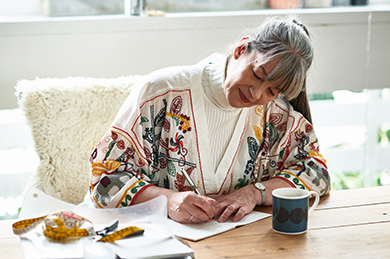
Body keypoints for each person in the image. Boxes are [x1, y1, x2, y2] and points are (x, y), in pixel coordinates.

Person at [88, 17, 331, 224]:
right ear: (241, 49)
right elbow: (105, 179)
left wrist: (254, 193)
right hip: (138, 238)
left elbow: (316, 173)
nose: (257, 94)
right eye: (257, 75)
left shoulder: (275, 114)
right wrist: (168, 200)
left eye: (271, 90)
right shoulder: (162, 91)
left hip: (226, 244)